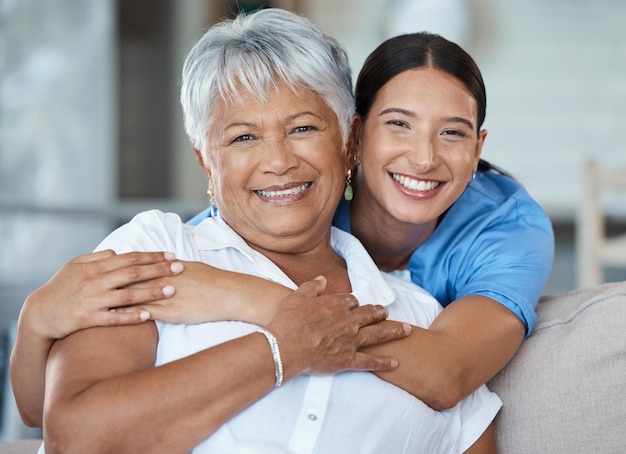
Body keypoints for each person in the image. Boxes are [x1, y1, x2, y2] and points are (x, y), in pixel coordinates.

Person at [12, 8, 553, 430]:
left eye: (452, 132)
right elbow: (55, 420)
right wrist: (35, 322)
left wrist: (271, 309)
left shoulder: (499, 234)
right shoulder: (195, 240)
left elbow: (449, 371)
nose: (423, 158)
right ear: (358, 139)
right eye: (400, 125)